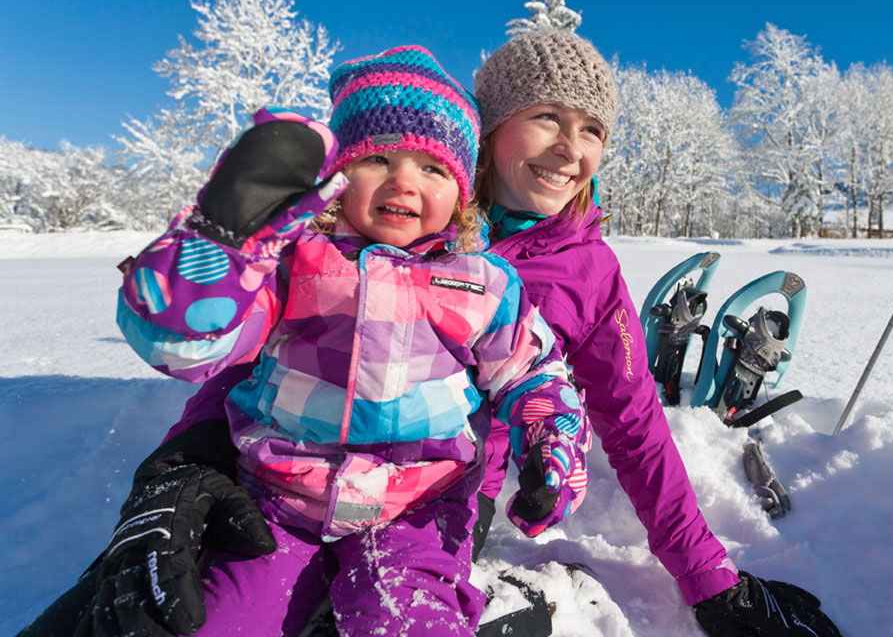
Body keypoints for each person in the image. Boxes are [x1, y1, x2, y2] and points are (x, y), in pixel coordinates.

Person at [25, 33, 841, 637]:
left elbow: (632, 429)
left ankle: (527, 603)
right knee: (120, 615)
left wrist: (710, 583)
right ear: (485, 131)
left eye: (593, 130)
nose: (573, 149)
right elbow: (251, 348)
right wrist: (175, 470)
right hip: (282, 483)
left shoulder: (576, 273)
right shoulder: (368, 225)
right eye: (546, 118)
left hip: (432, 510)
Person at [69, 45, 589, 637]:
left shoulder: (482, 283)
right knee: (213, 622)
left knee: (409, 624)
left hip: (417, 509)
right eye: (379, 159)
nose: (403, 181)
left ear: (463, 193)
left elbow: (533, 371)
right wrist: (216, 259)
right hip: (276, 498)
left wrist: (553, 444)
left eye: (433, 168)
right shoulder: (292, 263)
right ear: (337, 177)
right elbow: (194, 349)